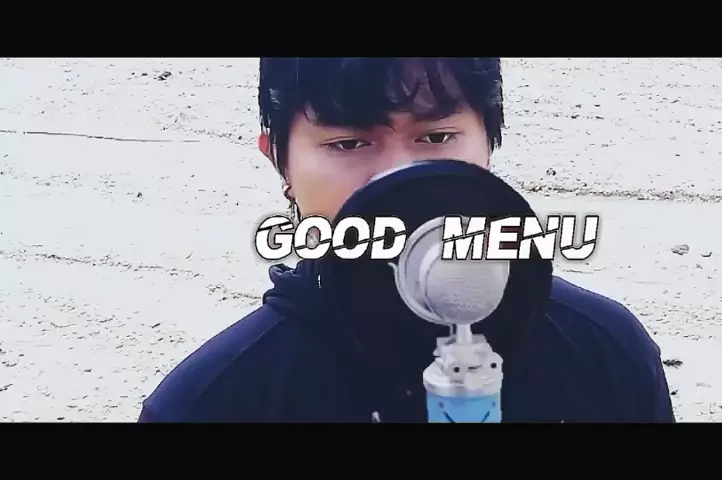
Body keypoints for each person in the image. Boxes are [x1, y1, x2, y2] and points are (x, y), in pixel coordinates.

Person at [138, 58, 675, 422]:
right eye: (349, 143)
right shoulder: (213, 403)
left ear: (489, 143)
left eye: (436, 137)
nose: (400, 180)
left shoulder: (604, 348)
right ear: (280, 162)